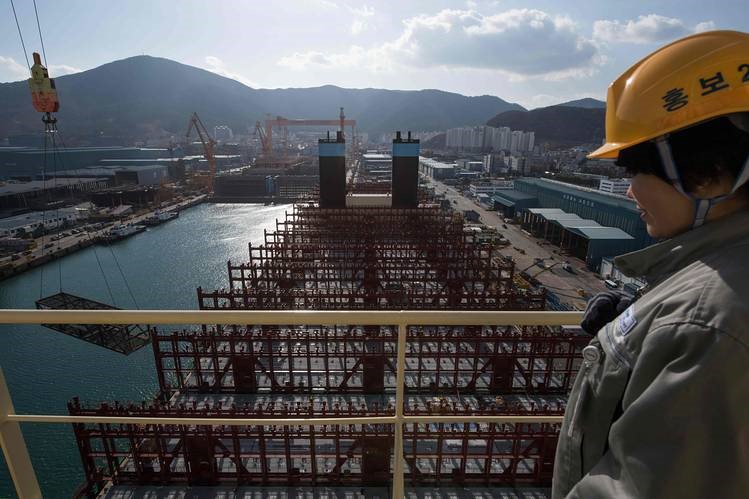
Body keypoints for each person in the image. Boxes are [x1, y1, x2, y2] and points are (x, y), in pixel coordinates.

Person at [552, 30, 749, 498]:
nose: (629, 191)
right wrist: (646, 323)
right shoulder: (712, 292)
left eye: (636, 171)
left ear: (709, 174)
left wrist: (676, 320)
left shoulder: (710, 322)